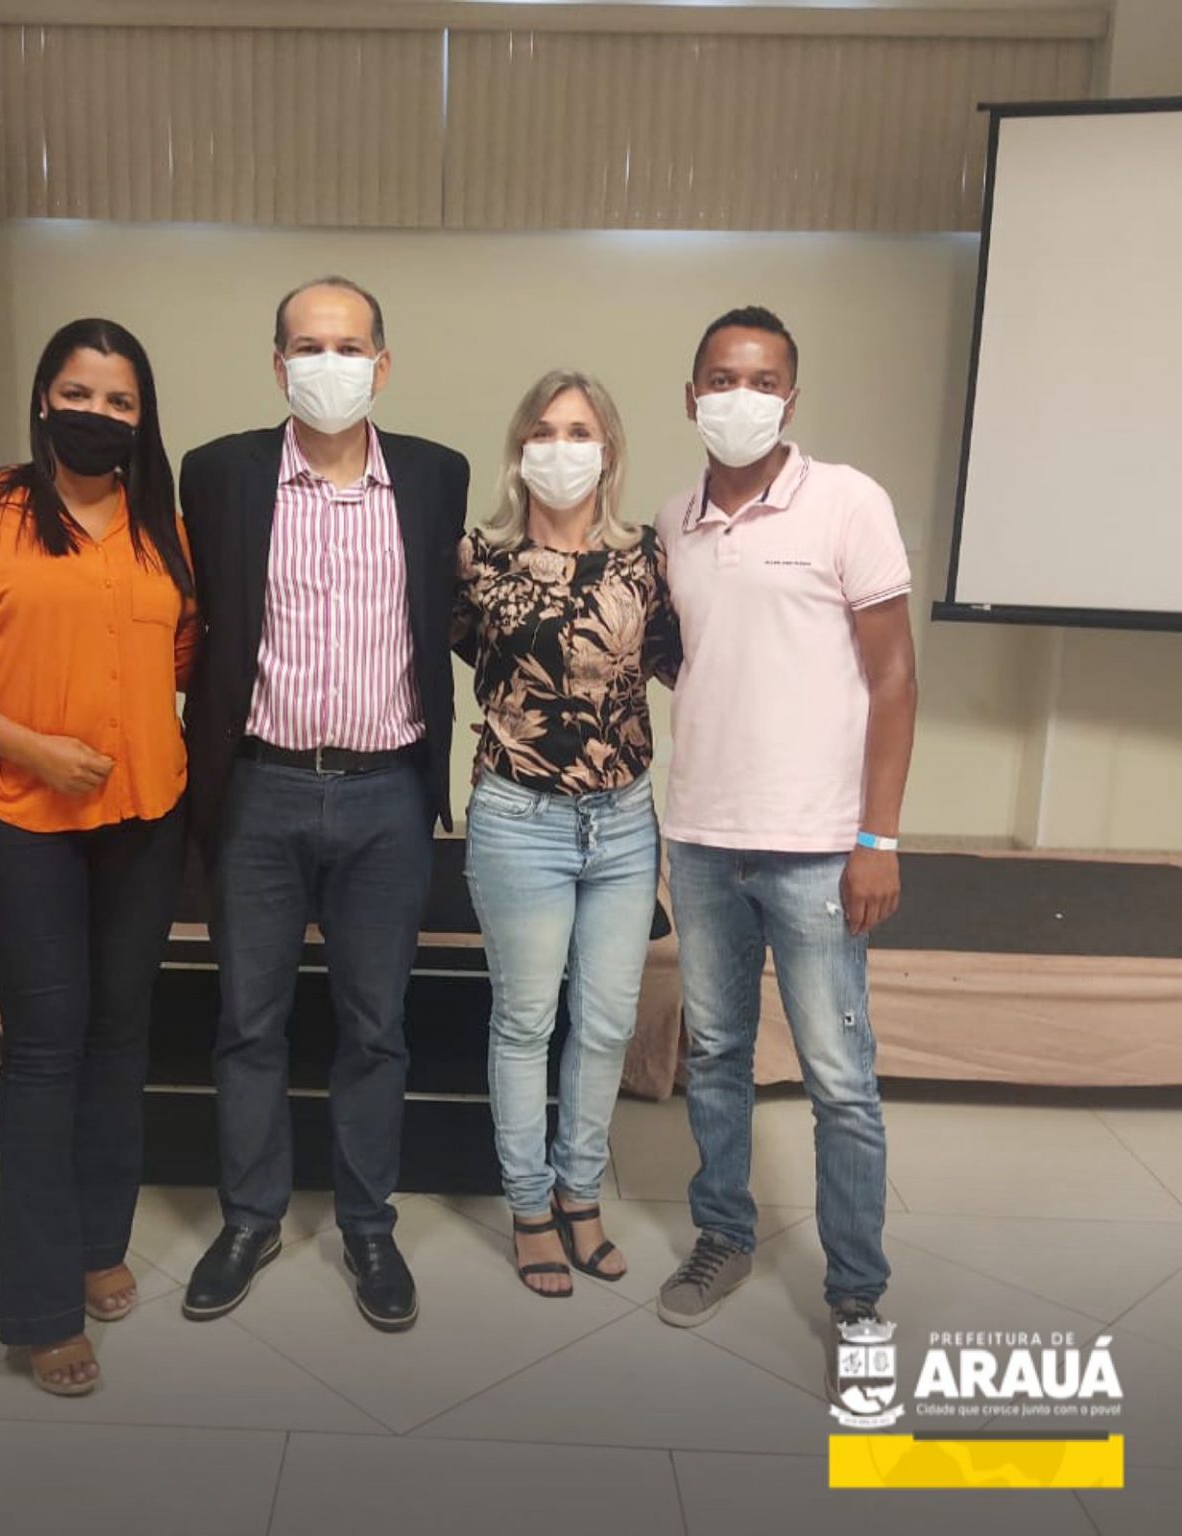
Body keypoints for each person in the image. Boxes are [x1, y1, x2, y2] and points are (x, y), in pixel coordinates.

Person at [0, 319, 198, 1396]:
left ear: (142, 418)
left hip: (146, 819)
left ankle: (98, 1242)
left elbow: (184, 653)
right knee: (47, 1049)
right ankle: (38, 1309)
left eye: (119, 402)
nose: (97, 416)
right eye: (79, 394)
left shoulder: (163, 526)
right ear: (42, 400)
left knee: (120, 1036)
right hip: (19, 816)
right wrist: (33, 747)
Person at [178, 277, 469, 1332]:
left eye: (348, 347)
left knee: (375, 1028)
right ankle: (250, 1219)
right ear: (277, 365)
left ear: (382, 365)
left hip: (388, 794)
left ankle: (367, 1227)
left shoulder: (435, 476)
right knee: (247, 1023)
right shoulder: (219, 473)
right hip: (258, 788)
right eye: (308, 346)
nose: (328, 365)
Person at [651, 306, 917, 1407]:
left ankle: (857, 1295)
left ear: (791, 398)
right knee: (715, 1054)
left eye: (763, 380)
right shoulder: (673, 521)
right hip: (703, 838)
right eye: (722, 377)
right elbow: (694, 658)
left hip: (817, 848)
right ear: (691, 396)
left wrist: (876, 838)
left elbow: (894, 678)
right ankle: (723, 1234)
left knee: (840, 1081)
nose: (741, 395)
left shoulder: (849, 501)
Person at [454, 371, 680, 1297]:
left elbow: (677, 664)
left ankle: (581, 1194)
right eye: (543, 431)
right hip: (520, 820)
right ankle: (529, 1207)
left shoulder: (647, 558)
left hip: (623, 822)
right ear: (519, 450)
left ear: (609, 450)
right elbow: (465, 656)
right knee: (526, 1019)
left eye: (579, 431)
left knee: (609, 1020)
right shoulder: (479, 558)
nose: (560, 447)